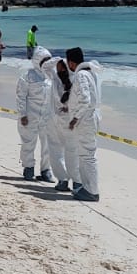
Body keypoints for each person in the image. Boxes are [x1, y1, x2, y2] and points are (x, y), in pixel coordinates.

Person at [64, 46, 103, 202]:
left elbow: (85, 100)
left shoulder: (81, 75)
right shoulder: (90, 73)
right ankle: (87, 187)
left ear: (71, 62)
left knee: (87, 156)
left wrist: (75, 118)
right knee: (85, 155)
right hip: (89, 119)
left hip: (85, 120)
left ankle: (92, 190)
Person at [15, 48, 56, 182]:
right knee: (28, 143)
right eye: (44, 60)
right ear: (38, 61)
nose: (46, 63)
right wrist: (23, 114)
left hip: (47, 117)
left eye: (48, 60)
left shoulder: (52, 77)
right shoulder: (28, 76)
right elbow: (21, 96)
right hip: (30, 116)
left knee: (48, 145)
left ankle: (45, 170)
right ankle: (28, 168)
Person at [46, 56, 75, 191]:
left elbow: (45, 66)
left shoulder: (55, 79)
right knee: (71, 151)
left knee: (56, 150)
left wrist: (56, 59)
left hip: (56, 120)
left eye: (58, 65)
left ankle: (63, 180)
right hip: (69, 121)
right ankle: (77, 182)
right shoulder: (75, 79)